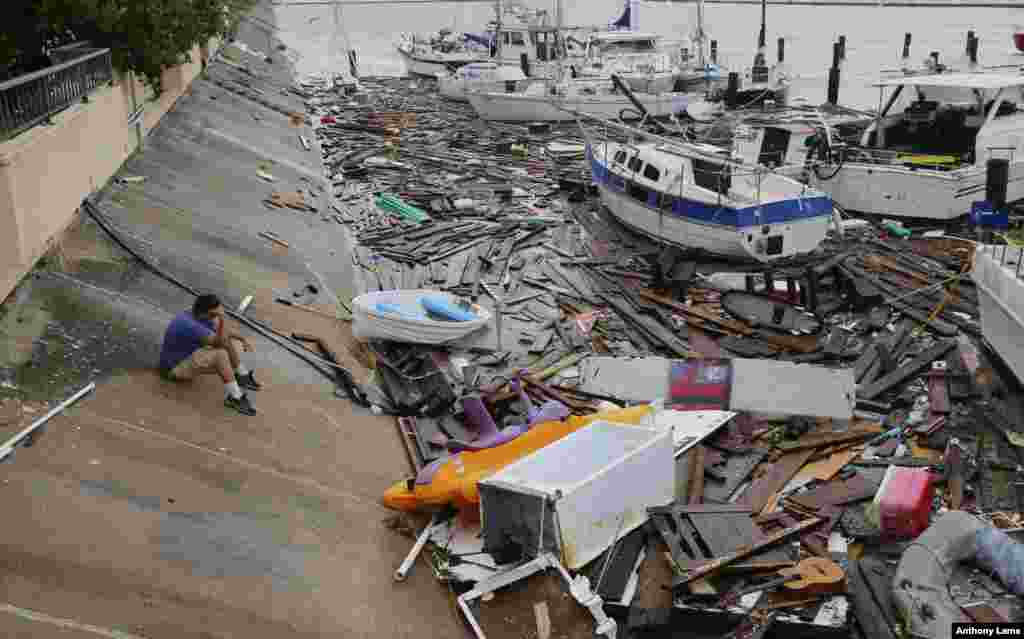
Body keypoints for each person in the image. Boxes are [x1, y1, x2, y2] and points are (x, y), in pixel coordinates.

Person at [158, 294, 261, 415]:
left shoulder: (197, 315)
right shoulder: (191, 325)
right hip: (173, 369)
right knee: (220, 355)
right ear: (205, 312)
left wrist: (242, 339)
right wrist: (222, 318)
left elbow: (222, 333)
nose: (214, 317)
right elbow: (220, 341)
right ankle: (235, 398)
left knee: (224, 341)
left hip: (187, 356)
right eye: (213, 314)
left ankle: (242, 376)